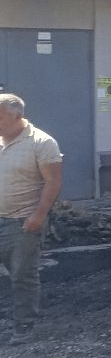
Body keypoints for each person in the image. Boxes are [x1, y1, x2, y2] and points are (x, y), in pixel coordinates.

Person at [0, 93, 63, 343]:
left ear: (17, 116)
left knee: (22, 275)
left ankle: (24, 326)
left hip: (23, 222)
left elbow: (53, 181)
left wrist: (38, 216)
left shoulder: (42, 143)